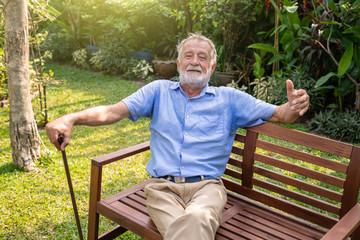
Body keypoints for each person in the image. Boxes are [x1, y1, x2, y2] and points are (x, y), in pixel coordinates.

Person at [46, 33, 309, 240]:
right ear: (179, 62)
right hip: (162, 189)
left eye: (202, 57)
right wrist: (71, 118)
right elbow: (113, 112)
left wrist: (294, 107)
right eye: (189, 55)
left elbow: (279, 114)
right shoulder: (158, 91)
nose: (195, 61)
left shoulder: (230, 99)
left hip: (207, 188)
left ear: (212, 65)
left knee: (195, 221)